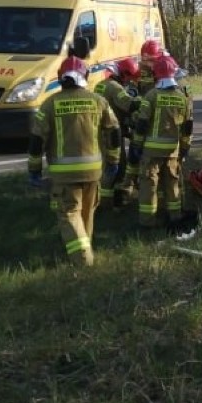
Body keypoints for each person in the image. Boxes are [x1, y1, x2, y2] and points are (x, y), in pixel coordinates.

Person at [27, 56, 120, 266]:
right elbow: (113, 132)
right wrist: (113, 161)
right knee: (87, 214)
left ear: (61, 78)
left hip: (64, 175)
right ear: (85, 77)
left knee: (69, 214)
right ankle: (86, 251)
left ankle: (83, 261)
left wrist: (34, 170)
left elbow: (36, 140)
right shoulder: (98, 101)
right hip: (93, 172)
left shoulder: (49, 105)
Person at [131, 54, 193, 228]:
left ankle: (147, 221)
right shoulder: (183, 98)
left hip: (151, 151)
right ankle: (174, 216)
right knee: (172, 183)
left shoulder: (151, 96)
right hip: (173, 149)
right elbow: (187, 126)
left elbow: (142, 124)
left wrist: (136, 144)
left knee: (149, 185)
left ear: (156, 74)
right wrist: (185, 146)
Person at [94, 58, 142, 208]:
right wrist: (146, 100)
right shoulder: (116, 88)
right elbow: (129, 105)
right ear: (124, 74)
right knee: (118, 166)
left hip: (99, 130)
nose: (129, 82)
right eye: (130, 78)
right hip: (112, 132)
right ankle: (113, 202)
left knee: (104, 166)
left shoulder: (100, 85)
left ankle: (101, 200)